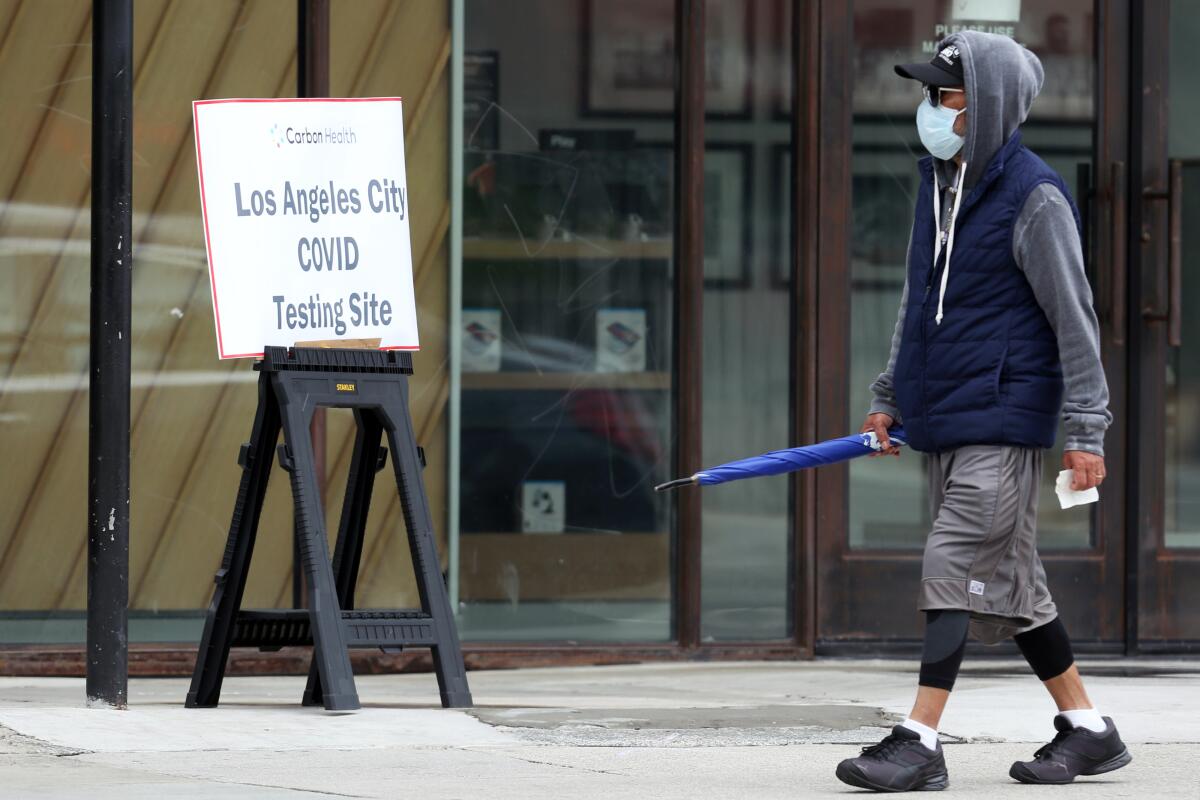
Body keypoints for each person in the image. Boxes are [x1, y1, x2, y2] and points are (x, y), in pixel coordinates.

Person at [834, 31, 1131, 792]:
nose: (930, 107)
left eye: (946, 94)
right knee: (1016, 588)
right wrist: (887, 397)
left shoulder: (1035, 198)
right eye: (927, 92)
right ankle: (1089, 730)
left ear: (988, 104)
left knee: (952, 561)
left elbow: (1077, 320)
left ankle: (918, 741)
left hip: (1002, 422)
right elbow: (914, 309)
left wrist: (1087, 431)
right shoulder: (940, 188)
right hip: (947, 422)